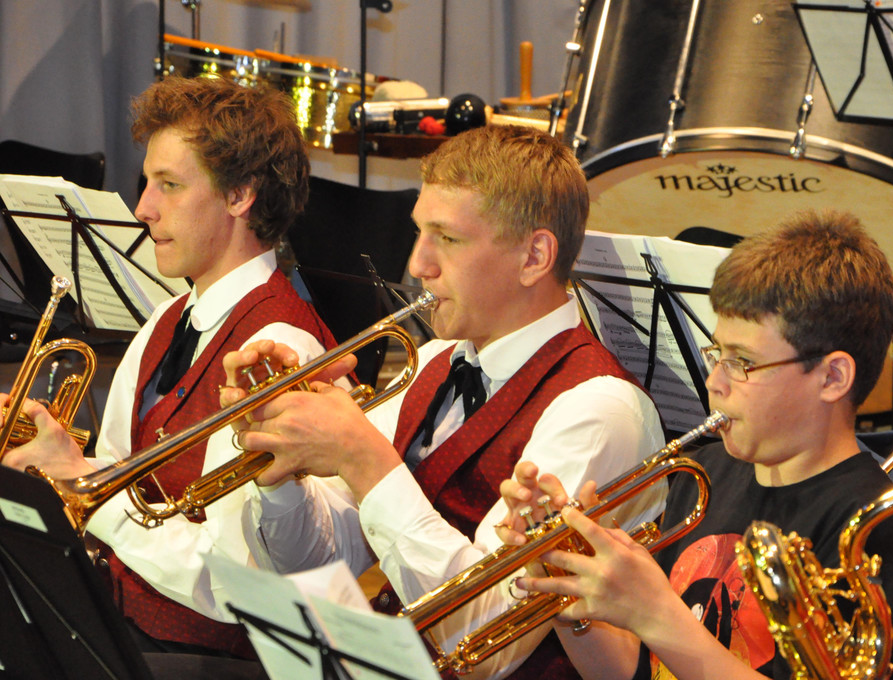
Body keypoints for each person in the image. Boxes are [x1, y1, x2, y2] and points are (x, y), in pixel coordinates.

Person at [220, 124, 666, 679]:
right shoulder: (435, 361)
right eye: (419, 232)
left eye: (447, 239)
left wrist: (365, 460)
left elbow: (486, 643)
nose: (417, 265)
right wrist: (280, 459)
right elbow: (309, 562)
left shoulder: (598, 411)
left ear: (534, 256)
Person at [497, 210, 893, 680]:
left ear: (832, 377)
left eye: (742, 362)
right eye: (717, 354)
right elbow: (636, 673)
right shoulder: (704, 474)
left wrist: (657, 614)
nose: (714, 382)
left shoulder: (874, 535)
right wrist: (565, 575)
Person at [1, 75, 335, 660]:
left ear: (240, 196)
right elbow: (120, 473)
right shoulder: (168, 317)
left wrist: (79, 480)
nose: (143, 208)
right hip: (124, 622)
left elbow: (235, 579)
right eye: (147, 182)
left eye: (170, 185)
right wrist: (49, 449)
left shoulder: (279, 346)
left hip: (208, 656)